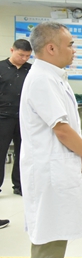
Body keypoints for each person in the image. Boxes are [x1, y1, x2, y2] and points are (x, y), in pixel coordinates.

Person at [20, 22, 82, 258]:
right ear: (51, 48)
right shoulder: (42, 79)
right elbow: (61, 128)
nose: (74, 50)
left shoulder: (53, 76)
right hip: (48, 170)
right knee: (48, 237)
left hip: (56, 168)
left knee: (55, 233)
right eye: (71, 44)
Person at [0, 39, 32, 196]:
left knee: (23, 153)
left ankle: (20, 185)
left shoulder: (31, 70)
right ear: (12, 50)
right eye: (21, 55)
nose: (24, 59)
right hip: (3, 117)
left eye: (27, 56)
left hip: (24, 118)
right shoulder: (1, 68)